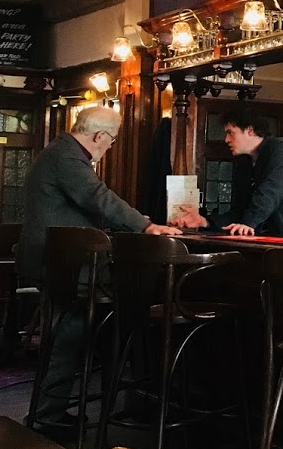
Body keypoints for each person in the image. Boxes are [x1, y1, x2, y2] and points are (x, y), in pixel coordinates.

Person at [16, 105, 182, 432]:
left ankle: (51, 413)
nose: (110, 146)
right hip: (67, 265)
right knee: (75, 334)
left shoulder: (59, 152)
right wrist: (146, 226)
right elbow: (98, 198)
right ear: (99, 136)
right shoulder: (67, 157)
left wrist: (136, 222)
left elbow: (90, 205)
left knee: (65, 335)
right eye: (112, 140)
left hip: (57, 262)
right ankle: (125, 400)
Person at [171, 106, 283, 237]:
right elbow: (238, 211)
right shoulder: (244, 162)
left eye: (230, 133)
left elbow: (270, 192)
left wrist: (248, 223)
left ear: (250, 130)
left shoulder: (280, 148)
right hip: (260, 241)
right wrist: (204, 221)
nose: (226, 140)